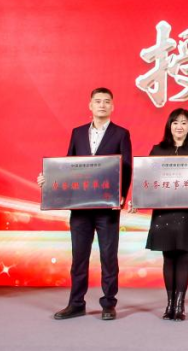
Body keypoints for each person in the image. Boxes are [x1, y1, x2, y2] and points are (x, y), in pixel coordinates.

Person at [38, 88, 133, 321]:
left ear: (112, 106)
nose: (102, 105)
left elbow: (126, 167)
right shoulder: (78, 133)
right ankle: (76, 303)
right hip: (80, 207)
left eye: (107, 101)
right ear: (90, 105)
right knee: (79, 257)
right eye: (97, 101)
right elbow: (68, 166)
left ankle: (108, 304)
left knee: (108, 257)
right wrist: (48, 179)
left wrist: (121, 197)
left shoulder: (121, 134)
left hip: (107, 208)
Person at [131, 108, 188, 321]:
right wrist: (137, 199)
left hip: (187, 213)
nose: (179, 126)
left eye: (184, 123)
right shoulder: (158, 150)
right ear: (169, 126)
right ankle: (169, 304)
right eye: (175, 122)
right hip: (164, 213)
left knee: (184, 255)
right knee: (168, 256)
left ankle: (179, 305)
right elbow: (146, 179)